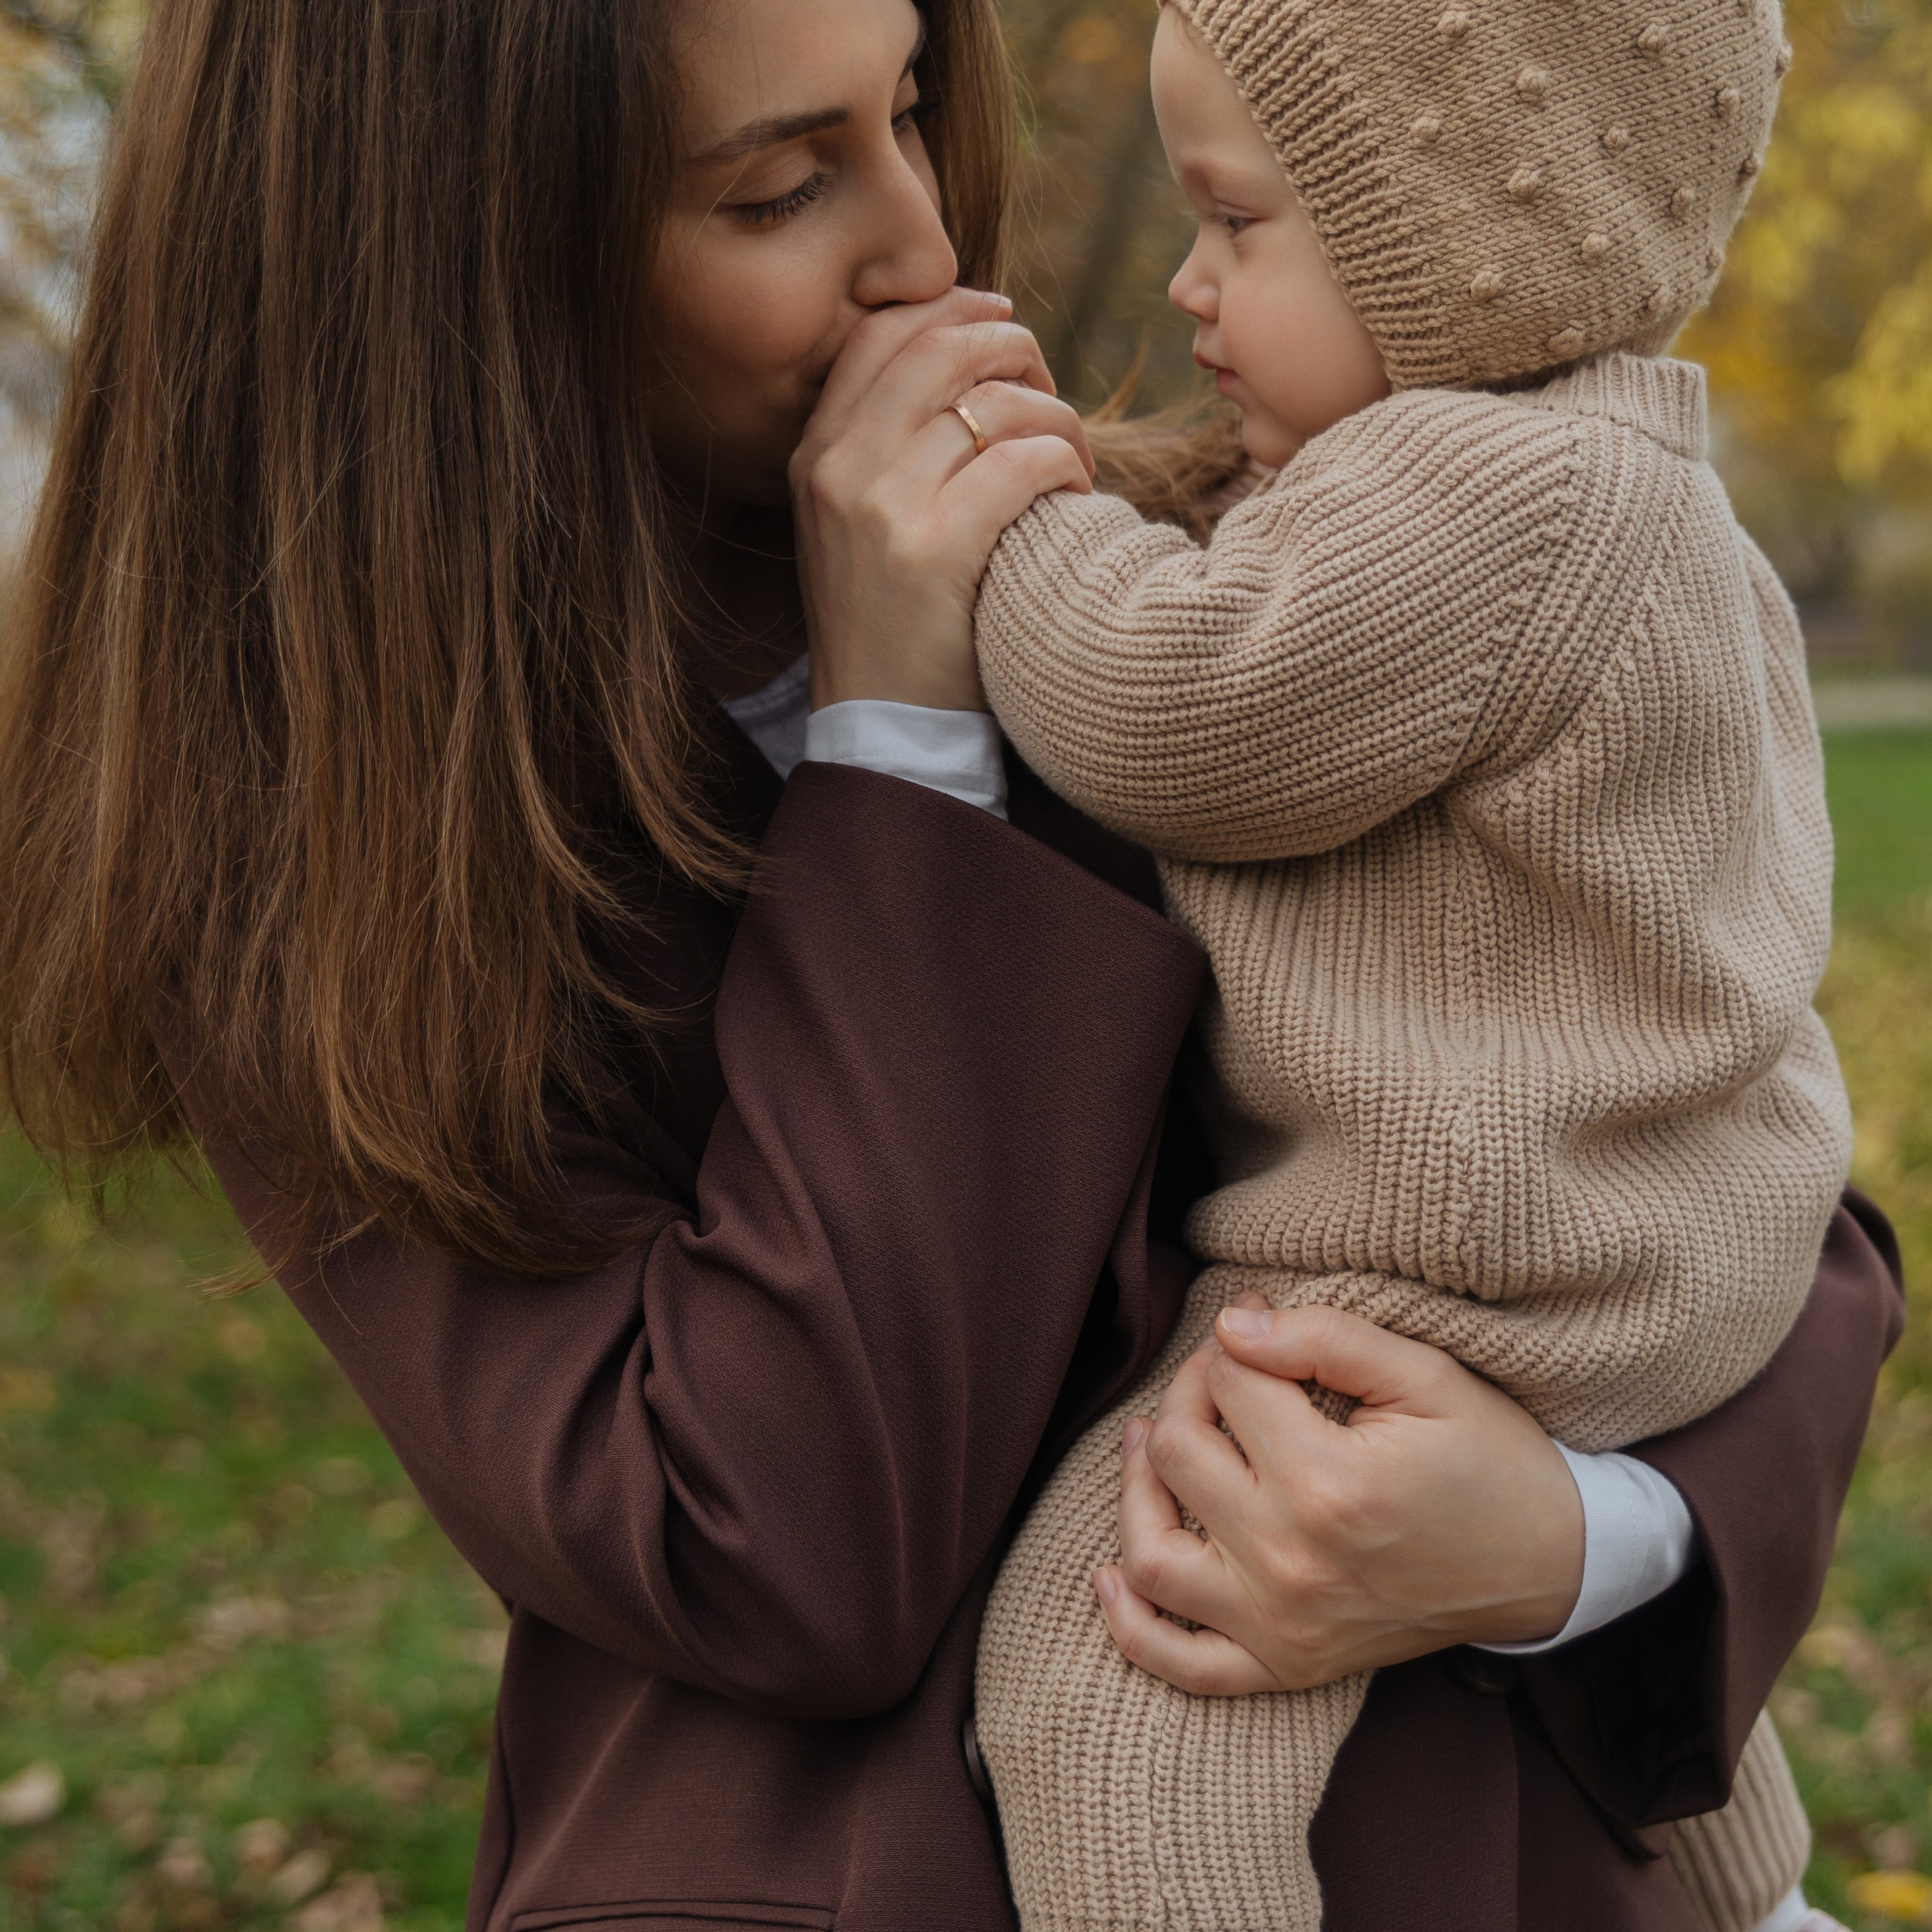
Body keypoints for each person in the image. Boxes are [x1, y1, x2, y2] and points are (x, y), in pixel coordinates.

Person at [0, 2, 1900, 1930]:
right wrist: (894, 748)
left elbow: (1711, 1173)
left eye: (907, 108)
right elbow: (781, 1539)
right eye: (779, 185)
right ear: (458, 262)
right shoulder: (323, 900)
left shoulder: (1215, 555)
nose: (923, 246)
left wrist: (1567, 1536)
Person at [964, 2, 1857, 1928]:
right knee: (1574, 1644)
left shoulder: (1480, 487)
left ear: (1459, 256)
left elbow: (1167, 702)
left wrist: (1009, 515)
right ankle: (1755, 1899)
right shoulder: (1650, 490)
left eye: (1238, 223)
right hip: (1678, 1251)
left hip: (1459, 1259)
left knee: (1106, 1674)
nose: (1192, 292)